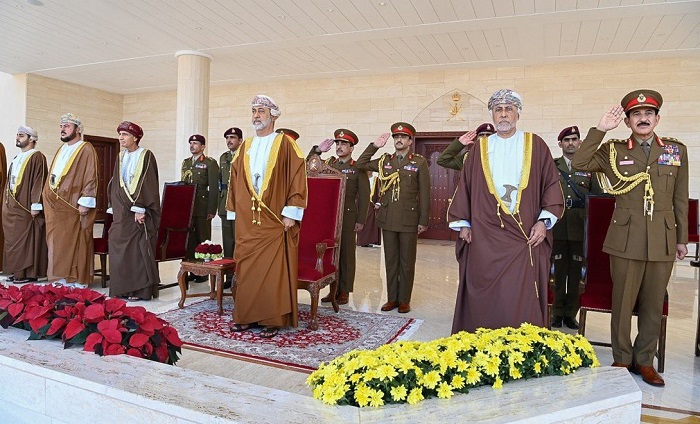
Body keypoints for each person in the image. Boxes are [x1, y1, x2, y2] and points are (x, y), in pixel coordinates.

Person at [572, 90, 688, 387]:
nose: (643, 118)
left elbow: (680, 198)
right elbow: (580, 162)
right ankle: (622, 357)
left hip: (662, 237)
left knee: (652, 303)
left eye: (648, 113)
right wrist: (600, 129)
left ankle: (645, 361)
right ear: (627, 121)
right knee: (622, 302)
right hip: (625, 237)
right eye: (636, 114)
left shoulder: (676, 150)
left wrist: (681, 238)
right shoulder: (615, 150)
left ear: (657, 118)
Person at [447, 89, 564, 333]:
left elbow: (551, 185)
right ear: (492, 114)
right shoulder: (479, 148)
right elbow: (465, 187)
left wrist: (544, 221)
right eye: (498, 110)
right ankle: (481, 336)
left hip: (524, 235)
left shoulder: (536, 144)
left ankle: (522, 340)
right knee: (483, 286)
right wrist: (464, 224)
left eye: (508, 109)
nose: (503, 115)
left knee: (518, 290)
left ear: (517, 114)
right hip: (485, 235)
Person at [226, 95, 307, 338]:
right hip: (248, 219)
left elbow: (297, 176)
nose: (256, 116)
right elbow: (235, 179)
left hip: (275, 219)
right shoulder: (246, 145)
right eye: (253, 111)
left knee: (273, 271)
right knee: (247, 269)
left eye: (261, 111)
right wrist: (233, 210)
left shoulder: (285, 143)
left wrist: (292, 211)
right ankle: (246, 316)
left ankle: (272, 318)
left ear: (273, 115)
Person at [356, 122, 430, 313]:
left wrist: (423, 220)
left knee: (406, 262)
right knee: (391, 260)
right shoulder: (384, 161)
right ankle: (392, 298)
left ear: (410, 141)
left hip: (409, 219)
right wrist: (374, 146)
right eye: (396, 137)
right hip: (388, 218)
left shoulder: (419, 162)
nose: (399, 140)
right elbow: (361, 164)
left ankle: (404, 299)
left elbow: (425, 193)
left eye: (403, 137)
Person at [307, 129, 370, 305]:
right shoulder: (328, 164)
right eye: (338, 143)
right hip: (329, 217)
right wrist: (318, 151)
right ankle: (332, 289)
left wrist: (361, 219)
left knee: (346, 255)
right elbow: (308, 165)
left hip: (348, 216)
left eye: (344, 144)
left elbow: (365, 195)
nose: (340, 147)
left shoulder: (356, 168)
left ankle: (344, 290)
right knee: (330, 253)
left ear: (352, 148)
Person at [550, 125, 601, 329]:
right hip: (558, 225)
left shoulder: (590, 167)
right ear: (560, 144)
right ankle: (556, 312)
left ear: (580, 143)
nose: (570, 143)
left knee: (577, 273)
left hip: (581, 228)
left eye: (574, 139)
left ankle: (571, 313)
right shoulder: (552, 166)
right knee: (556, 272)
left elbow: (597, 198)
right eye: (566, 140)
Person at [43, 113, 99, 286]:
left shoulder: (86, 148)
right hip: (56, 206)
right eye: (61, 126)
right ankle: (60, 276)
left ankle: (77, 278)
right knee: (58, 242)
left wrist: (86, 200)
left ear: (78, 129)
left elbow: (91, 176)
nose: (62, 129)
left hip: (75, 205)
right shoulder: (62, 149)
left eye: (67, 126)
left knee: (77, 241)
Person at [107, 121, 161, 300]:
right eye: (120, 134)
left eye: (125, 134)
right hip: (122, 212)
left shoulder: (146, 155)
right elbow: (116, 183)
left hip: (139, 212)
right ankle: (122, 288)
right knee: (117, 246)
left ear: (135, 137)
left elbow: (148, 182)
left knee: (136, 251)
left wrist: (140, 208)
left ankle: (139, 289)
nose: (121, 138)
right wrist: (113, 205)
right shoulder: (120, 157)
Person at [2, 125, 48, 283]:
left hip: (26, 208)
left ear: (32, 139)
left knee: (26, 242)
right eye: (17, 135)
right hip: (13, 207)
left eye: (21, 135)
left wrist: (36, 204)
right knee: (13, 241)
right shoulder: (17, 158)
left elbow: (38, 182)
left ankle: (27, 273)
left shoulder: (37, 157)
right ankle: (16, 271)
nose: (17, 138)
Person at [181, 134, 218, 282]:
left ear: (203, 147)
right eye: (191, 143)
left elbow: (214, 188)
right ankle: (192, 271)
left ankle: (203, 272)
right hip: (189, 206)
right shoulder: (186, 162)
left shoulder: (209, 163)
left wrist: (211, 209)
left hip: (202, 207)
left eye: (195, 143)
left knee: (203, 239)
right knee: (189, 240)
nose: (192, 146)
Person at [218, 127, 243, 287]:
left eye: (232, 137)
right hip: (225, 204)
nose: (229, 140)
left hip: (240, 204)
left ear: (240, 140)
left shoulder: (245, 155)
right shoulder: (223, 157)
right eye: (227, 138)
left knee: (239, 241)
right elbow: (220, 182)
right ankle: (228, 277)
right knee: (227, 242)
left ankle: (240, 276)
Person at [356, 171, 382, 247]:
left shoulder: (376, 180)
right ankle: (361, 241)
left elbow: (380, 192)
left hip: (372, 205)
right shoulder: (361, 179)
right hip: (361, 204)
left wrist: (378, 203)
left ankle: (370, 241)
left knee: (371, 223)